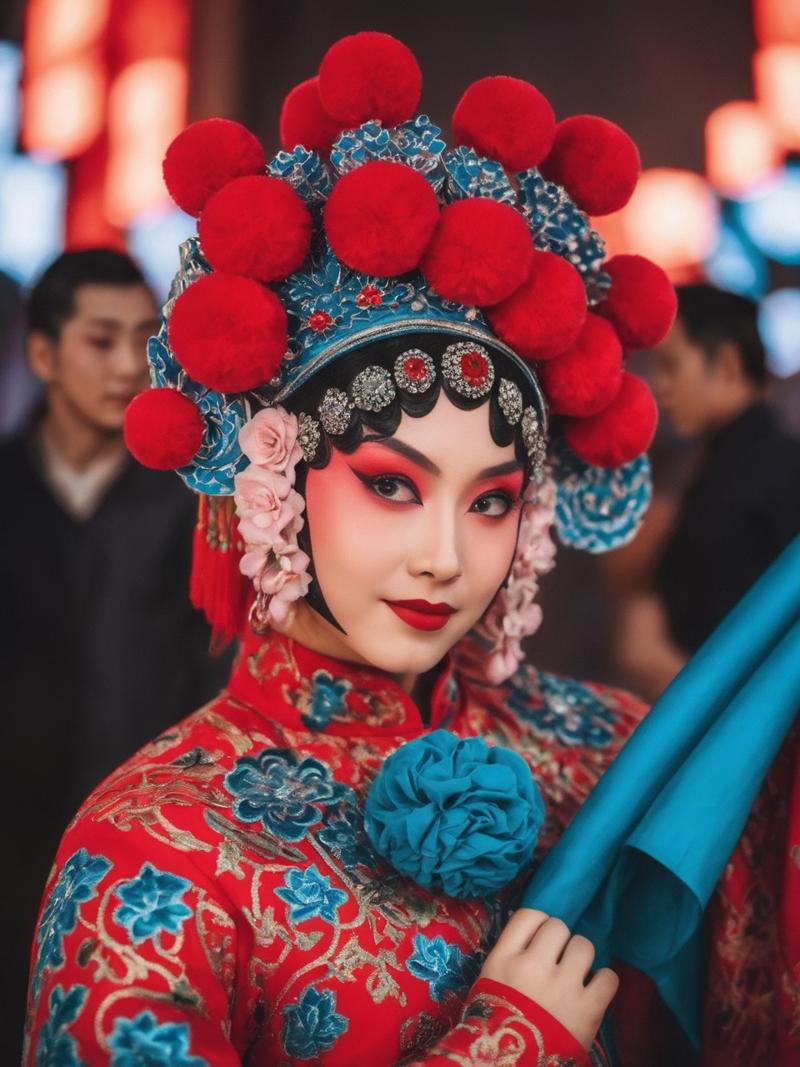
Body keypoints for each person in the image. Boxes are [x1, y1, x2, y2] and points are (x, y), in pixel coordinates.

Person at [23, 33, 678, 1065]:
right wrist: (508, 1041)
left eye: (491, 500)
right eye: (390, 484)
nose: (443, 559)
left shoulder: (612, 755)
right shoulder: (155, 849)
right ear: (274, 476)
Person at [1, 249, 230, 1062]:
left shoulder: (188, 501)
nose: (129, 365)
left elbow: (212, 667)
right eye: (101, 340)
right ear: (42, 354)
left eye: (144, 339)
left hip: (139, 840)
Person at [615, 284, 800, 701]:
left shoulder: (744, 483)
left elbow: (762, 681)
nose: (658, 386)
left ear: (729, 365)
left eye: (671, 366)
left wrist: (659, 664)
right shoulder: (737, 460)